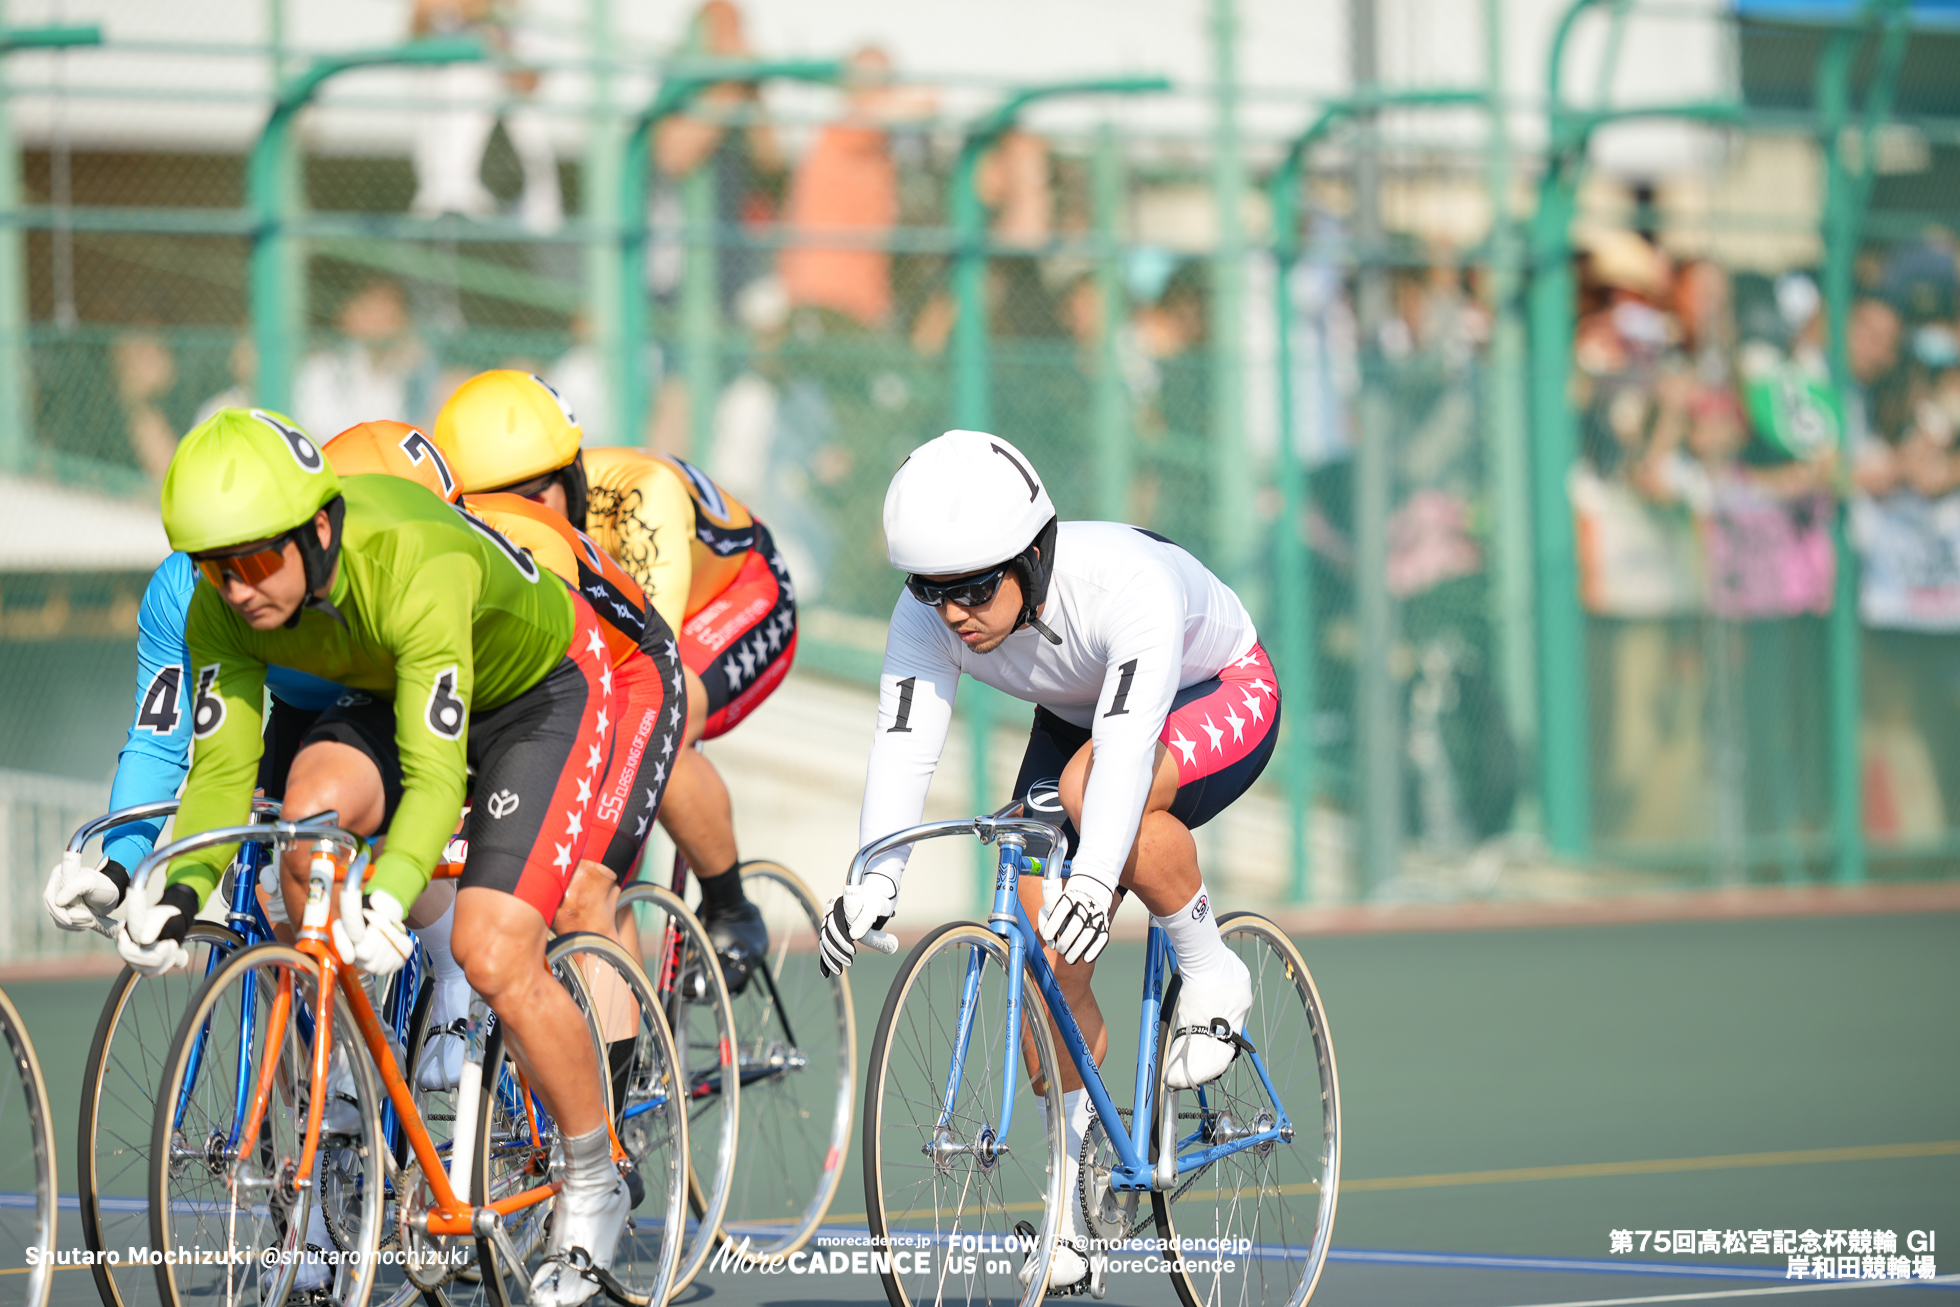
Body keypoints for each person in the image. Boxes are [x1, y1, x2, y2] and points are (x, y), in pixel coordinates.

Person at [48, 407, 671, 1307]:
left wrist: (389, 892)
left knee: (492, 947)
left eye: (258, 560)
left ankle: (592, 1178)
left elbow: (432, 770)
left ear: (320, 527)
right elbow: (220, 770)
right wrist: (171, 885)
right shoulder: (223, 600)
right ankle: (345, 1114)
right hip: (380, 684)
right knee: (303, 829)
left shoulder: (413, 558)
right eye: (217, 568)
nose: (239, 589)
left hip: (537, 691)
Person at [820, 429, 1277, 1292]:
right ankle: (1075, 1199)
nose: (950, 611)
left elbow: (1128, 746)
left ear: (1032, 556)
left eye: (973, 588)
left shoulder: (1123, 584)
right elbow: (904, 739)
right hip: (1080, 717)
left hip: (1214, 688)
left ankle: (1211, 968)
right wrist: (874, 875)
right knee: (1041, 951)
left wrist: (1099, 882)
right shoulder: (929, 617)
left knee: (1096, 794)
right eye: (929, 588)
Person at [432, 370, 793, 991]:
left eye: (530, 496)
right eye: (488, 507)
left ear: (572, 478)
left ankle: (731, 905)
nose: (513, 519)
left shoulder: (637, 504)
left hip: (737, 595)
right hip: (623, 627)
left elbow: (648, 678)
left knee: (662, 729)